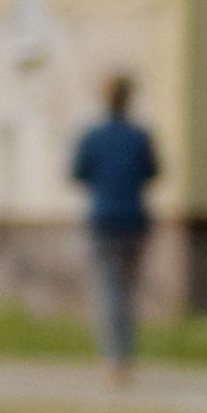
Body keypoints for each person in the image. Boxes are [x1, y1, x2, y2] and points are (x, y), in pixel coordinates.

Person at [69, 74, 162, 385]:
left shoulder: (93, 137)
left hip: (104, 221)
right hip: (134, 220)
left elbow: (78, 172)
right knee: (127, 290)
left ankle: (114, 360)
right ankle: (126, 356)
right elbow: (153, 172)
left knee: (110, 292)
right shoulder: (140, 137)